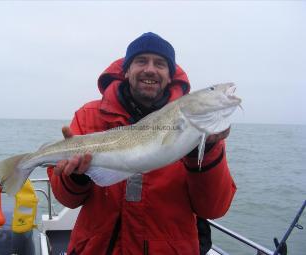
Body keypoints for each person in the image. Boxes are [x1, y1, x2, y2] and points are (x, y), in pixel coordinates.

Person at [47, 32, 236, 255]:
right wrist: (77, 175)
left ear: (170, 75)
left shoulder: (201, 133)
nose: (150, 69)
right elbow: (67, 199)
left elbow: (214, 208)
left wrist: (202, 154)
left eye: (160, 63)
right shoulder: (89, 116)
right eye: (140, 61)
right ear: (126, 71)